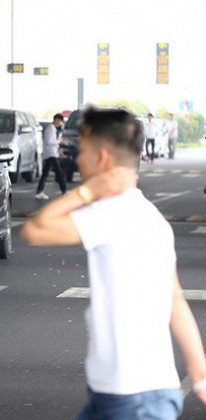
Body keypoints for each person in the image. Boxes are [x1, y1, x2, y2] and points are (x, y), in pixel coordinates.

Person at [21, 107, 206, 419]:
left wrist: (88, 190)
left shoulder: (114, 214)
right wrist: (199, 374)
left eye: (83, 150)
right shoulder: (148, 215)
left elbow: (35, 229)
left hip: (131, 398)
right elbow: (175, 300)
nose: (78, 159)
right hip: (130, 393)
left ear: (102, 156)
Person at [35, 113, 67, 200]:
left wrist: (58, 150)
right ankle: (64, 190)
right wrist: (58, 142)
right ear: (57, 120)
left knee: (45, 173)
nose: (61, 124)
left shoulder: (52, 129)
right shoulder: (50, 129)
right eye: (61, 122)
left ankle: (39, 191)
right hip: (51, 154)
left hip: (51, 153)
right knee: (59, 173)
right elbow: (49, 141)